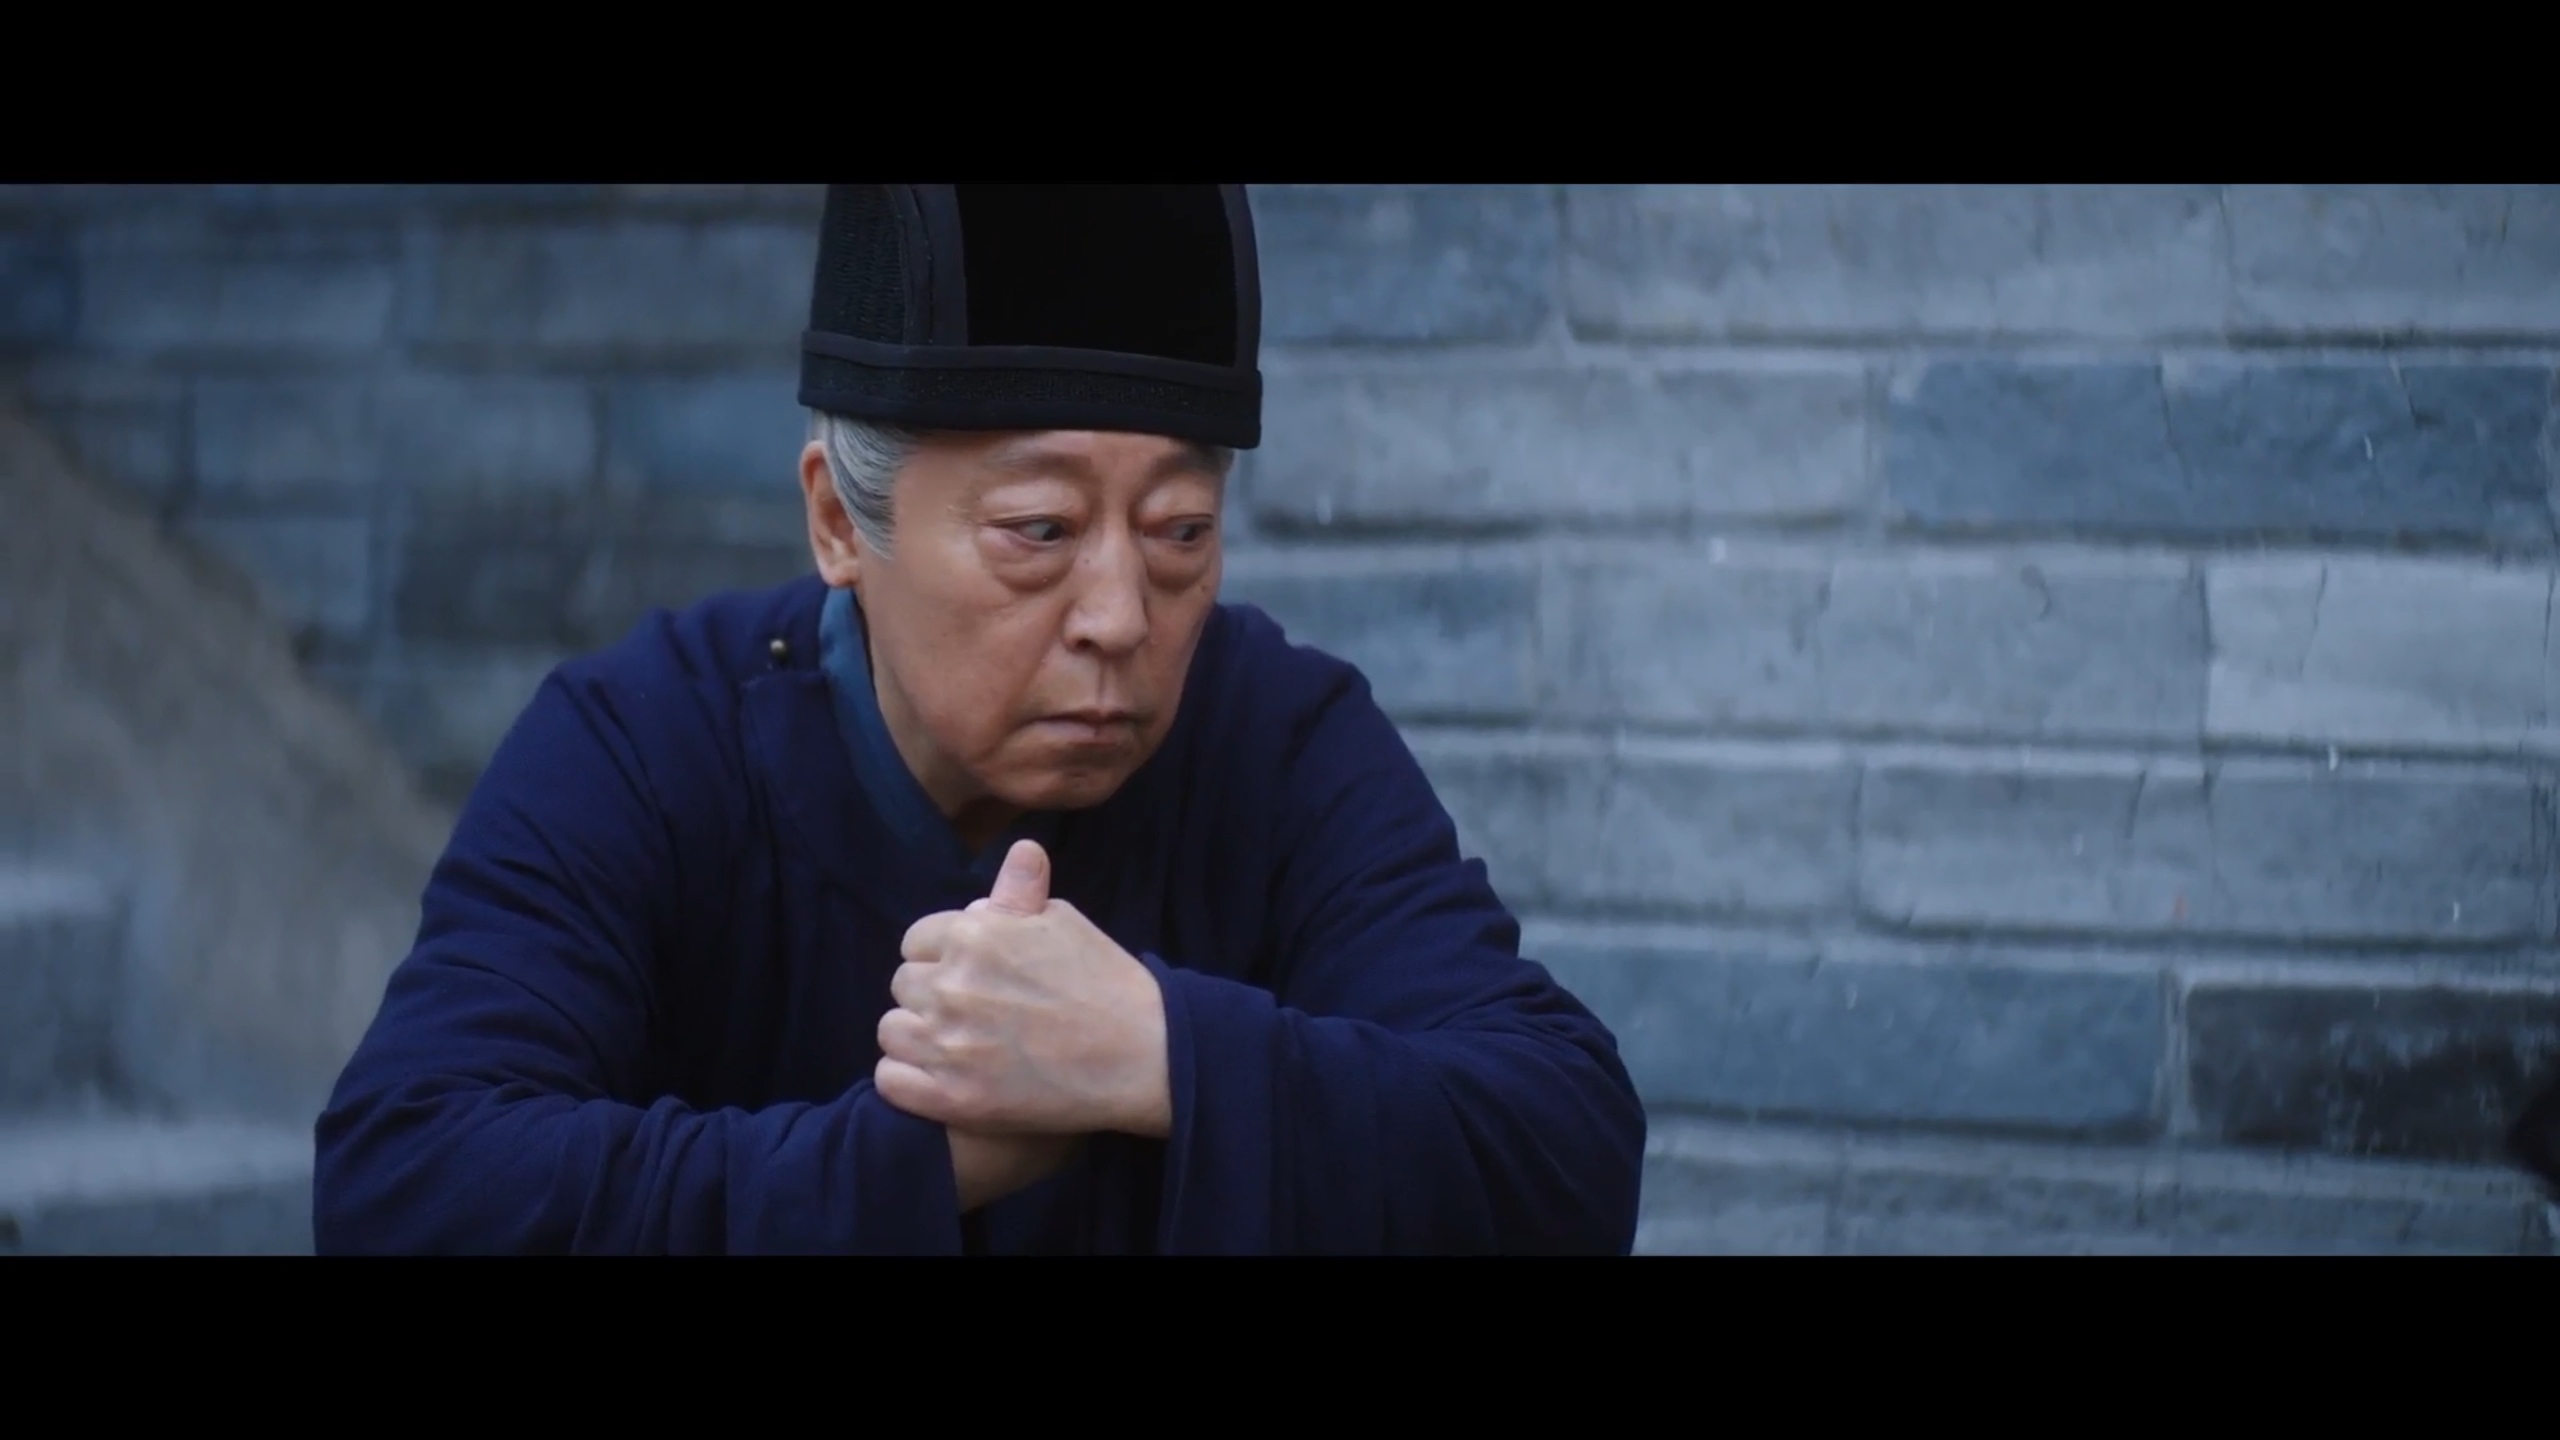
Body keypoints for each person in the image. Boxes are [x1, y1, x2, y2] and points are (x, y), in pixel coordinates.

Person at [310, 185, 1648, 1254]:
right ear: (839, 521)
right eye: (1039, 530)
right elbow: (405, 1185)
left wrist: (1158, 1051)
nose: (1119, 614)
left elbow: (1565, 1145)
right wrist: (917, 1157)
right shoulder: (642, 743)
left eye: (1180, 532)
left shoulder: (1278, 736)